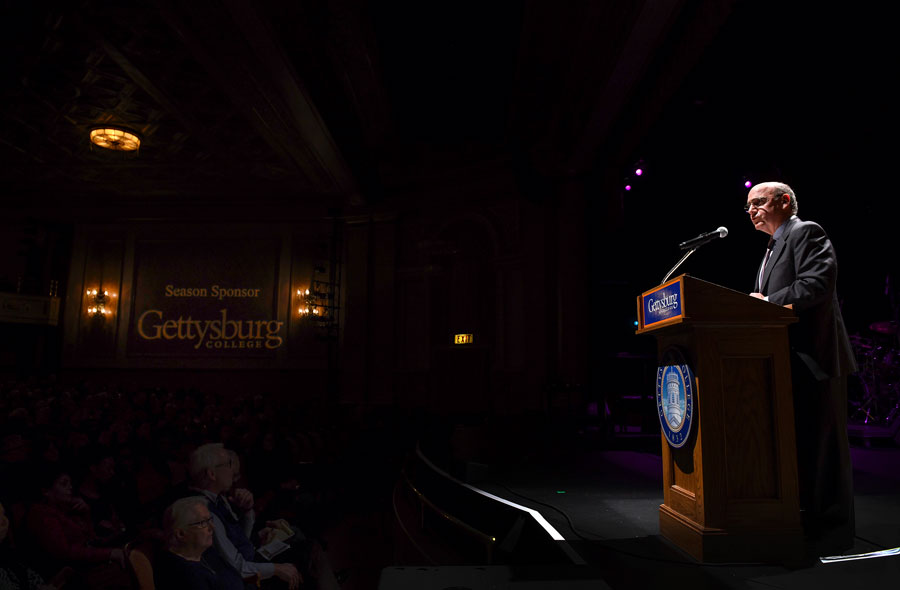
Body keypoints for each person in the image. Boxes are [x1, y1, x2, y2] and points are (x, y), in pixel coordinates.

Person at [746, 181, 857, 551]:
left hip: (817, 358)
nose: (751, 211)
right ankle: (802, 519)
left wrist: (766, 302)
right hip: (788, 360)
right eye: (748, 206)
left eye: (758, 203)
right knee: (802, 446)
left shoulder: (805, 231)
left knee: (823, 448)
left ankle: (832, 532)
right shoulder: (772, 246)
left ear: (785, 200)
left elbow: (816, 284)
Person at [187, 443, 301, 589]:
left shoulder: (218, 498)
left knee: (300, 546)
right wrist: (277, 569)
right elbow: (237, 567)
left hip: (247, 566)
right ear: (212, 474)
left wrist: (247, 512)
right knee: (299, 559)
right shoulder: (204, 513)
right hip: (240, 582)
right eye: (228, 464)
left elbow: (240, 540)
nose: (233, 470)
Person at [153, 497, 244, 590]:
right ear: (181, 534)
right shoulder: (182, 574)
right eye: (203, 523)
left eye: (210, 520)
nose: (212, 527)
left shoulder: (206, 551)